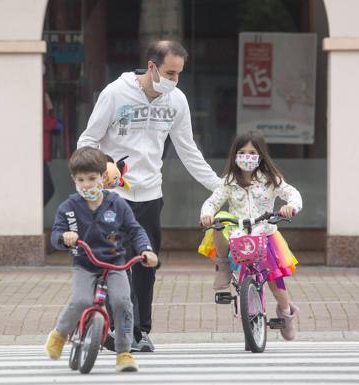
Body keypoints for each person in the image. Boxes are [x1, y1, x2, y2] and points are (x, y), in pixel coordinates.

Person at [77, 40, 221, 352]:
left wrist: (219, 186)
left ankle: (140, 331)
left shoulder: (176, 100)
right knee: (116, 264)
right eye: (170, 72)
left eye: (180, 73)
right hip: (114, 197)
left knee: (145, 265)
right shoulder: (115, 93)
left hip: (150, 197)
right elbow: (87, 139)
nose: (175, 79)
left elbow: (188, 150)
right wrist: (103, 166)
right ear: (152, 66)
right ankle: (114, 328)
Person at [44, 147, 158, 372]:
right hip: (85, 265)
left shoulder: (117, 204)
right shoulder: (69, 208)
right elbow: (55, 236)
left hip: (115, 264)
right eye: (81, 179)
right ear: (74, 179)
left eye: (92, 178)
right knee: (80, 301)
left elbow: (135, 230)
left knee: (122, 302)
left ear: (103, 177)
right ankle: (59, 334)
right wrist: (64, 238)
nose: (86, 184)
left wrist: (146, 250)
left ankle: (124, 352)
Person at [199, 131, 302, 340]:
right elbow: (212, 201)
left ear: (261, 155)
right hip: (238, 235)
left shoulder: (271, 180)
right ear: (235, 155)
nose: (247, 156)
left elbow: (292, 193)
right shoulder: (228, 181)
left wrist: (290, 207)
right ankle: (223, 267)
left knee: (274, 279)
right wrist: (206, 214)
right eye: (242, 152)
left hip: (264, 233)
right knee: (219, 220)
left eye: (252, 152)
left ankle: (286, 313)